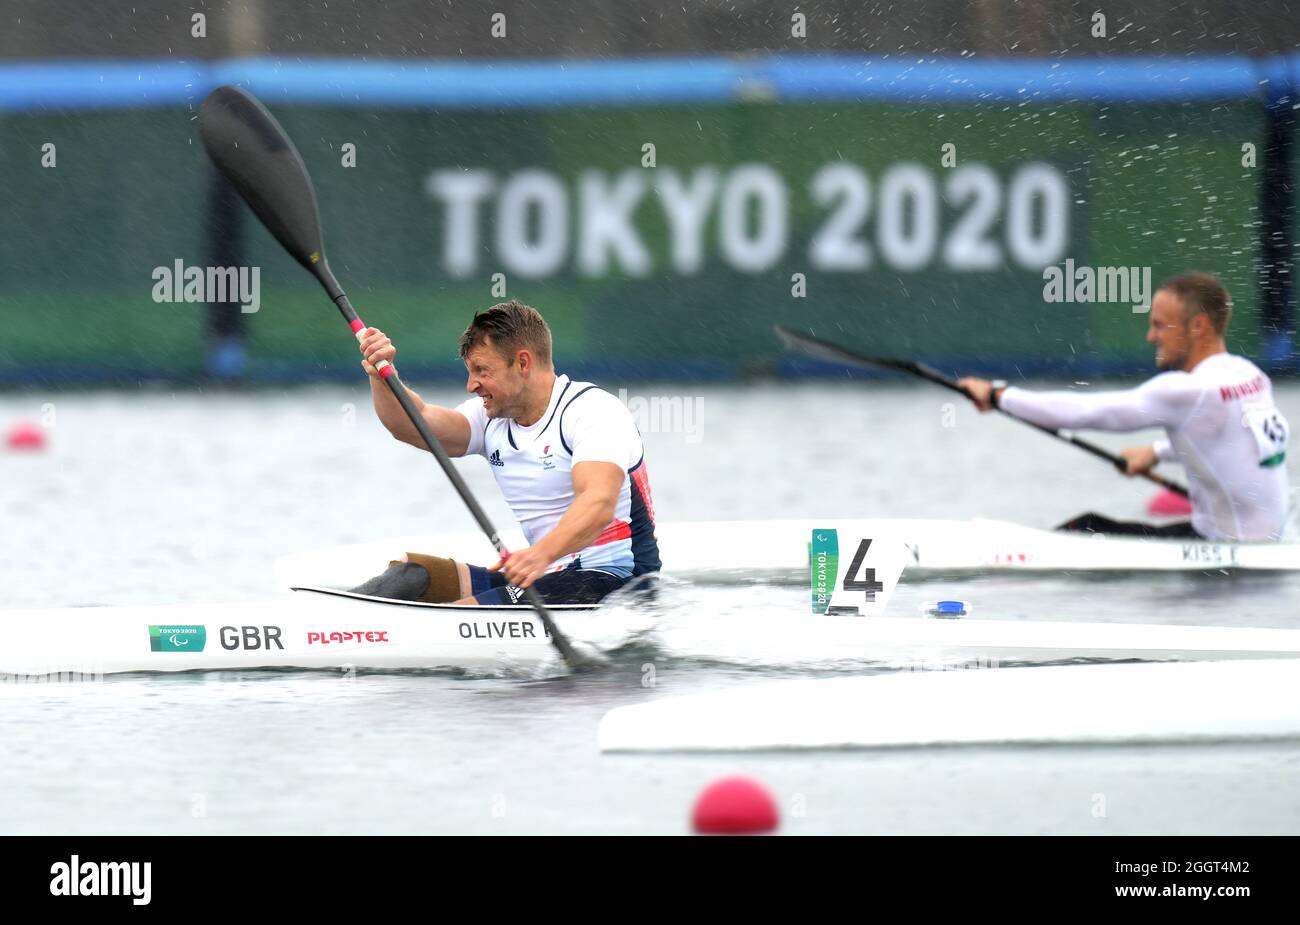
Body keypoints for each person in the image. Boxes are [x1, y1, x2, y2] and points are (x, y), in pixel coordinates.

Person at [350, 299, 660, 604]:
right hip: (542, 574)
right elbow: (413, 425)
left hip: (618, 582)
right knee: (411, 575)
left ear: (523, 363)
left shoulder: (592, 412)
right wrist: (380, 373)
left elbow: (598, 501)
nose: (472, 385)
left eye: (482, 370)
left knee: (466, 613)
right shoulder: (489, 419)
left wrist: (540, 554)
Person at [959, 272, 1289, 542]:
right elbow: (1232, 442)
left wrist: (999, 395)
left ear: (1198, 326)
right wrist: (1157, 453)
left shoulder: (1189, 390)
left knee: (1086, 528)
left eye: (1160, 325)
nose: (1150, 337)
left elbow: (1087, 413)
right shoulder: (1251, 375)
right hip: (1266, 539)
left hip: (1227, 550)